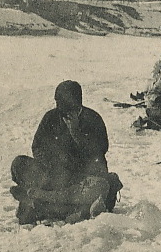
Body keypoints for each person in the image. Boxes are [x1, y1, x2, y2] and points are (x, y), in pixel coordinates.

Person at [10, 81, 122, 225]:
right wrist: (52, 165)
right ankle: (59, 206)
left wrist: (76, 133)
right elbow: (37, 147)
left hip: (82, 178)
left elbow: (98, 153)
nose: (58, 107)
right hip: (55, 176)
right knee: (19, 163)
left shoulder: (93, 119)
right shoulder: (50, 117)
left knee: (101, 186)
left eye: (63, 103)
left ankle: (39, 201)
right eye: (57, 102)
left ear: (76, 103)